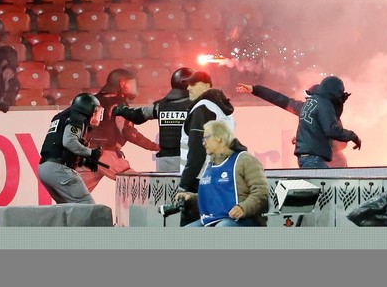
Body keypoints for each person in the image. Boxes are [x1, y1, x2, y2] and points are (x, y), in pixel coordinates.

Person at [238, 76, 360, 168]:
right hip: (320, 160)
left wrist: (256, 90)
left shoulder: (313, 108)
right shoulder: (324, 109)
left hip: (331, 163)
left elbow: (281, 100)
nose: (308, 100)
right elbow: (333, 132)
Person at [172, 120, 270, 227]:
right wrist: (190, 198)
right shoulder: (210, 165)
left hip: (245, 219)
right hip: (215, 219)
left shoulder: (245, 160)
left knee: (222, 228)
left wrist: (243, 208)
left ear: (218, 138)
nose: (203, 143)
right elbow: (213, 199)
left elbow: (261, 192)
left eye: (206, 138)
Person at [78, 69, 160, 193]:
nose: (133, 88)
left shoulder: (90, 101)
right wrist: (155, 146)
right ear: (122, 84)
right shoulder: (118, 105)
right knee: (140, 185)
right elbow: (130, 133)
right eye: (130, 84)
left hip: (84, 154)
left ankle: (62, 212)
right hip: (105, 153)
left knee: (77, 196)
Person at [114, 66, 197, 173]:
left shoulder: (160, 107)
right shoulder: (198, 106)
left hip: (165, 162)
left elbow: (138, 116)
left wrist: (123, 110)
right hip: (189, 160)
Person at [175, 70, 236, 201]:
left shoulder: (202, 109)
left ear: (206, 86)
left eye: (193, 84)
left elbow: (197, 151)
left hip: (199, 179)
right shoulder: (221, 108)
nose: (188, 88)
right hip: (219, 175)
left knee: (194, 220)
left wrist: (185, 185)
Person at [37, 93, 105, 205]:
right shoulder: (77, 118)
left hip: (45, 168)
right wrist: (91, 153)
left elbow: (58, 147)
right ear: (88, 108)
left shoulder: (62, 116)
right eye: (96, 110)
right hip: (58, 169)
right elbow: (69, 142)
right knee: (87, 205)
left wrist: (83, 161)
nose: (97, 114)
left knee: (68, 208)